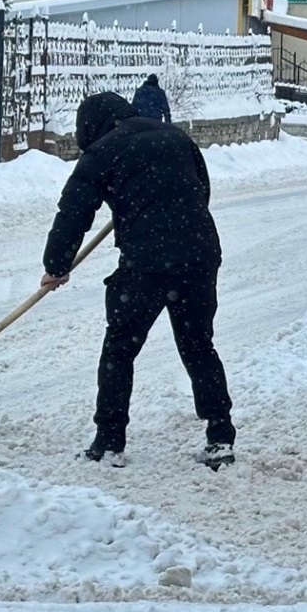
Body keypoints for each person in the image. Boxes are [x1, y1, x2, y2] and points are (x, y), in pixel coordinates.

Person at [41, 92, 235, 470]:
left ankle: (109, 442)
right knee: (198, 346)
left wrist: (57, 263)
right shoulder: (174, 136)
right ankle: (220, 436)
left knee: (119, 350)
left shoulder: (102, 151)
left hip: (146, 262)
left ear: (90, 130)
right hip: (199, 255)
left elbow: (73, 211)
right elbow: (201, 191)